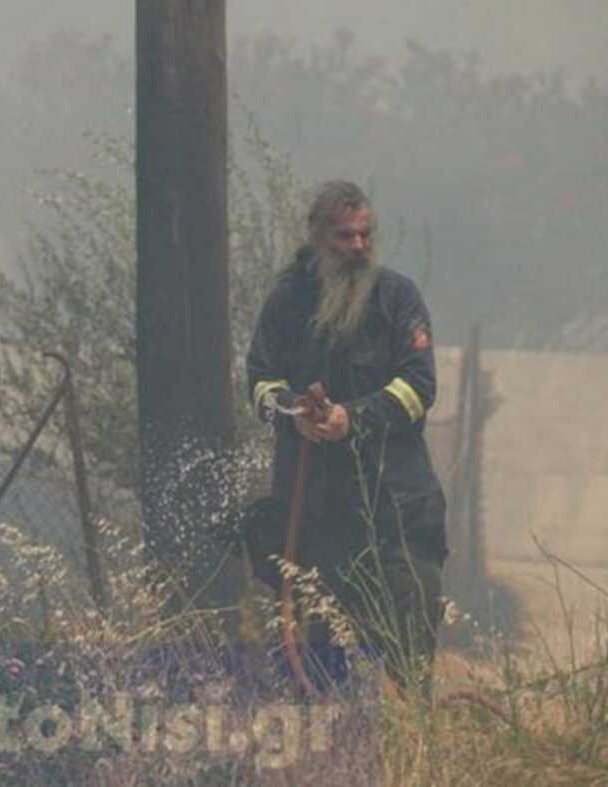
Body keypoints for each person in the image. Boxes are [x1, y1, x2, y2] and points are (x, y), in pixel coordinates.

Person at [245, 181, 447, 691]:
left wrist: (352, 419)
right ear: (315, 235)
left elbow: (419, 385)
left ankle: (408, 756)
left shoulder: (397, 298)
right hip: (314, 515)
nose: (358, 247)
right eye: (344, 237)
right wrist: (293, 412)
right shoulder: (286, 303)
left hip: (395, 510)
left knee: (407, 653)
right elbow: (260, 382)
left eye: (365, 235)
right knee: (314, 664)